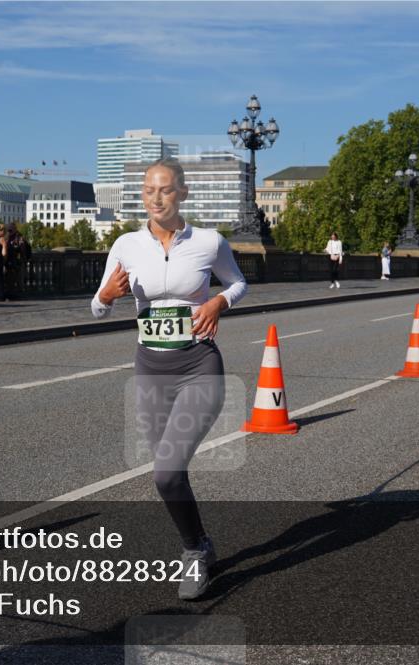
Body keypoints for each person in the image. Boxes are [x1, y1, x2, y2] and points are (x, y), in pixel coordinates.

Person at [91, 158, 246, 600]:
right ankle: (200, 542)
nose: (155, 198)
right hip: (151, 369)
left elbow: (239, 283)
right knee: (168, 478)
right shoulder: (125, 245)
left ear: (183, 193)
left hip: (198, 365)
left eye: (165, 190)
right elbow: (96, 307)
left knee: (166, 471)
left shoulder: (209, 242)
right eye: (147, 191)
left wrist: (218, 303)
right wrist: (106, 296)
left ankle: (193, 556)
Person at [3, 223, 32, 299]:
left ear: (15, 229)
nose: (9, 231)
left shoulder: (20, 237)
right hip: (8, 261)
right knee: (8, 279)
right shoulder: (6, 237)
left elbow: (23, 250)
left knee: (19, 279)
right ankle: (10, 294)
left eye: (10, 230)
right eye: (8, 230)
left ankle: (20, 294)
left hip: (18, 261)